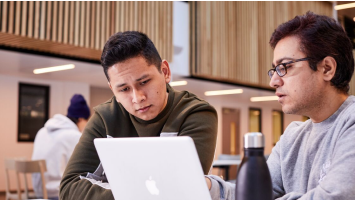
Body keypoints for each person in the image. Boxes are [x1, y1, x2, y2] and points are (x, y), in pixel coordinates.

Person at [206, 11, 355, 200]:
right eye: (274, 70)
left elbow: (335, 197)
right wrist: (207, 186)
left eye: (285, 67)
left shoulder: (350, 123)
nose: (274, 81)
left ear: (327, 68)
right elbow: (253, 193)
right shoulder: (292, 137)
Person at [59, 31, 218, 199]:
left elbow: (181, 191)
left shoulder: (195, 113)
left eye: (144, 82)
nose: (137, 98)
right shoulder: (105, 118)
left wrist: (121, 190)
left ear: (165, 72)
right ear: (113, 89)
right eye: (124, 89)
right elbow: (69, 188)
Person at [32, 94, 90, 200]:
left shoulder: (42, 131)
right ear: (81, 119)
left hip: (39, 192)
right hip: (59, 193)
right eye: (87, 121)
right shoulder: (74, 136)